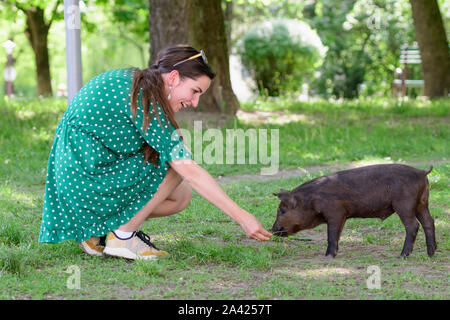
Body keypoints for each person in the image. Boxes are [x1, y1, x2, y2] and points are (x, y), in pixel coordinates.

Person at [39, 45, 272, 260]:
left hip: (79, 181)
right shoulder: (145, 97)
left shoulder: (138, 84)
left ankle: (97, 232)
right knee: (179, 160)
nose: (195, 102)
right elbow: (188, 170)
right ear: (173, 78)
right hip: (82, 181)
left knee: (180, 197)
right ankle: (122, 237)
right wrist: (242, 217)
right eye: (194, 91)